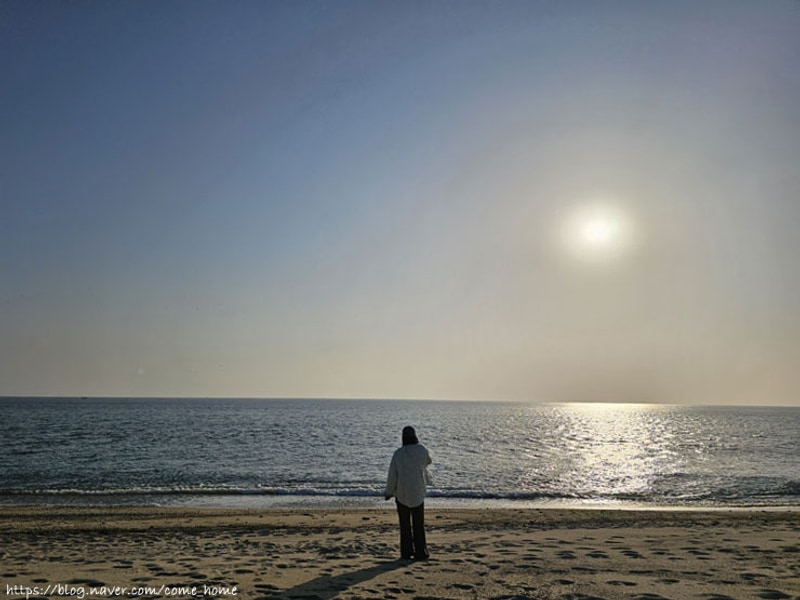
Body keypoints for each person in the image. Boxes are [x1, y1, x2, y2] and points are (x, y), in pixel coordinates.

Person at [384, 425, 432, 561]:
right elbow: (428, 461)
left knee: (404, 525)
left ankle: (406, 552)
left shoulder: (398, 454)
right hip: (417, 492)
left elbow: (392, 476)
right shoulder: (421, 450)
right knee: (418, 525)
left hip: (402, 493)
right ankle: (421, 552)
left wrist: (388, 492)